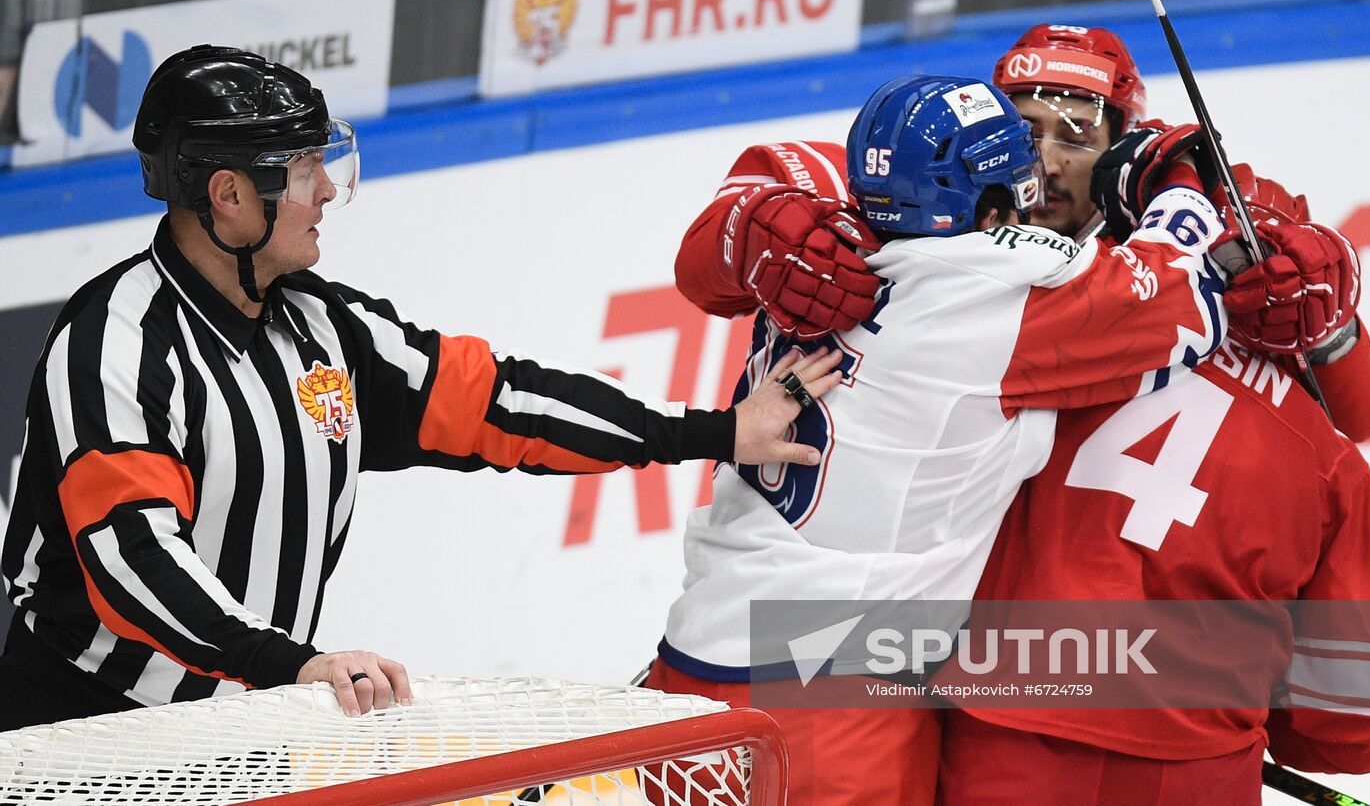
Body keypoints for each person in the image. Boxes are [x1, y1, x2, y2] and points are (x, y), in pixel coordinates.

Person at [0, 45, 843, 731]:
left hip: (246, 724)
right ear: (227, 196)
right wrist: (288, 664)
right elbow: (132, 558)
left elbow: (498, 403)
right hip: (83, 731)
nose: (326, 188)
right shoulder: (115, 343)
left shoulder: (323, 329)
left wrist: (715, 431)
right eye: (300, 170)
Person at [644, 73, 1235, 805]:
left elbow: (753, 183)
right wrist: (1177, 178)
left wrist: (752, 222)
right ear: (991, 202)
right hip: (835, 710)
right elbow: (1191, 299)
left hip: (690, 663)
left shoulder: (828, 218)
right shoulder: (1005, 289)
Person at [672, 22, 1370, 440]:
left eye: (1076, 133)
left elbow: (1359, 415)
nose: (1043, 158)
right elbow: (699, 269)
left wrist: (1327, 315)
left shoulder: (1214, 216)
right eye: (1019, 127)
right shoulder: (885, 189)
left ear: (1123, 145)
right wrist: (757, 231)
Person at [933, 166, 1370, 802]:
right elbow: (1357, 723)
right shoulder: (1326, 457)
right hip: (1196, 766)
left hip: (1008, 731)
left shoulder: (1062, 354)